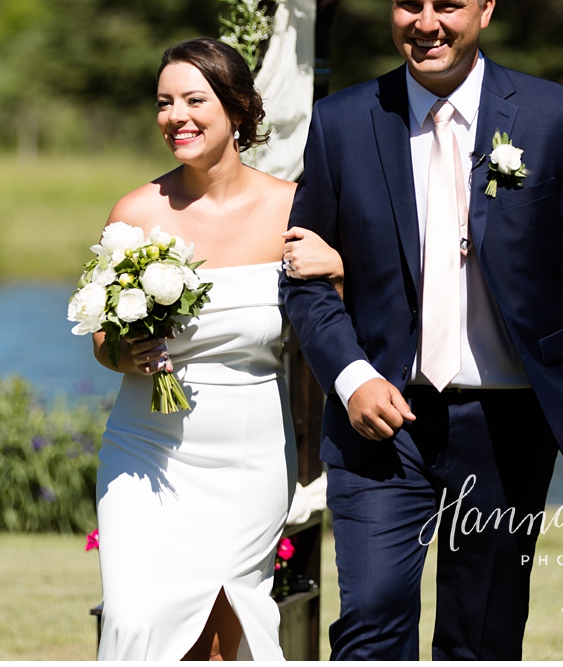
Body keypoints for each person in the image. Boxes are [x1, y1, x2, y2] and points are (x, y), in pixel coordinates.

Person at [282, 0, 563, 659]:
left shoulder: (551, 117)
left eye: (446, 5)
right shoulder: (343, 122)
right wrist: (350, 376)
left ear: (485, 8)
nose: (426, 23)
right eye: (409, 4)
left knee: (482, 635)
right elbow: (305, 280)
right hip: (381, 419)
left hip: (507, 425)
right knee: (374, 617)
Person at [92, 37, 343, 660]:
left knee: (226, 629)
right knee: (134, 617)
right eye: (163, 102)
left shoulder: (292, 207)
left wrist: (339, 266)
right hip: (145, 446)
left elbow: (341, 309)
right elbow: (101, 339)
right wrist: (126, 352)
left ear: (236, 108)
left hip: (249, 453)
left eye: (193, 99)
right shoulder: (136, 209)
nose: (175, 116)